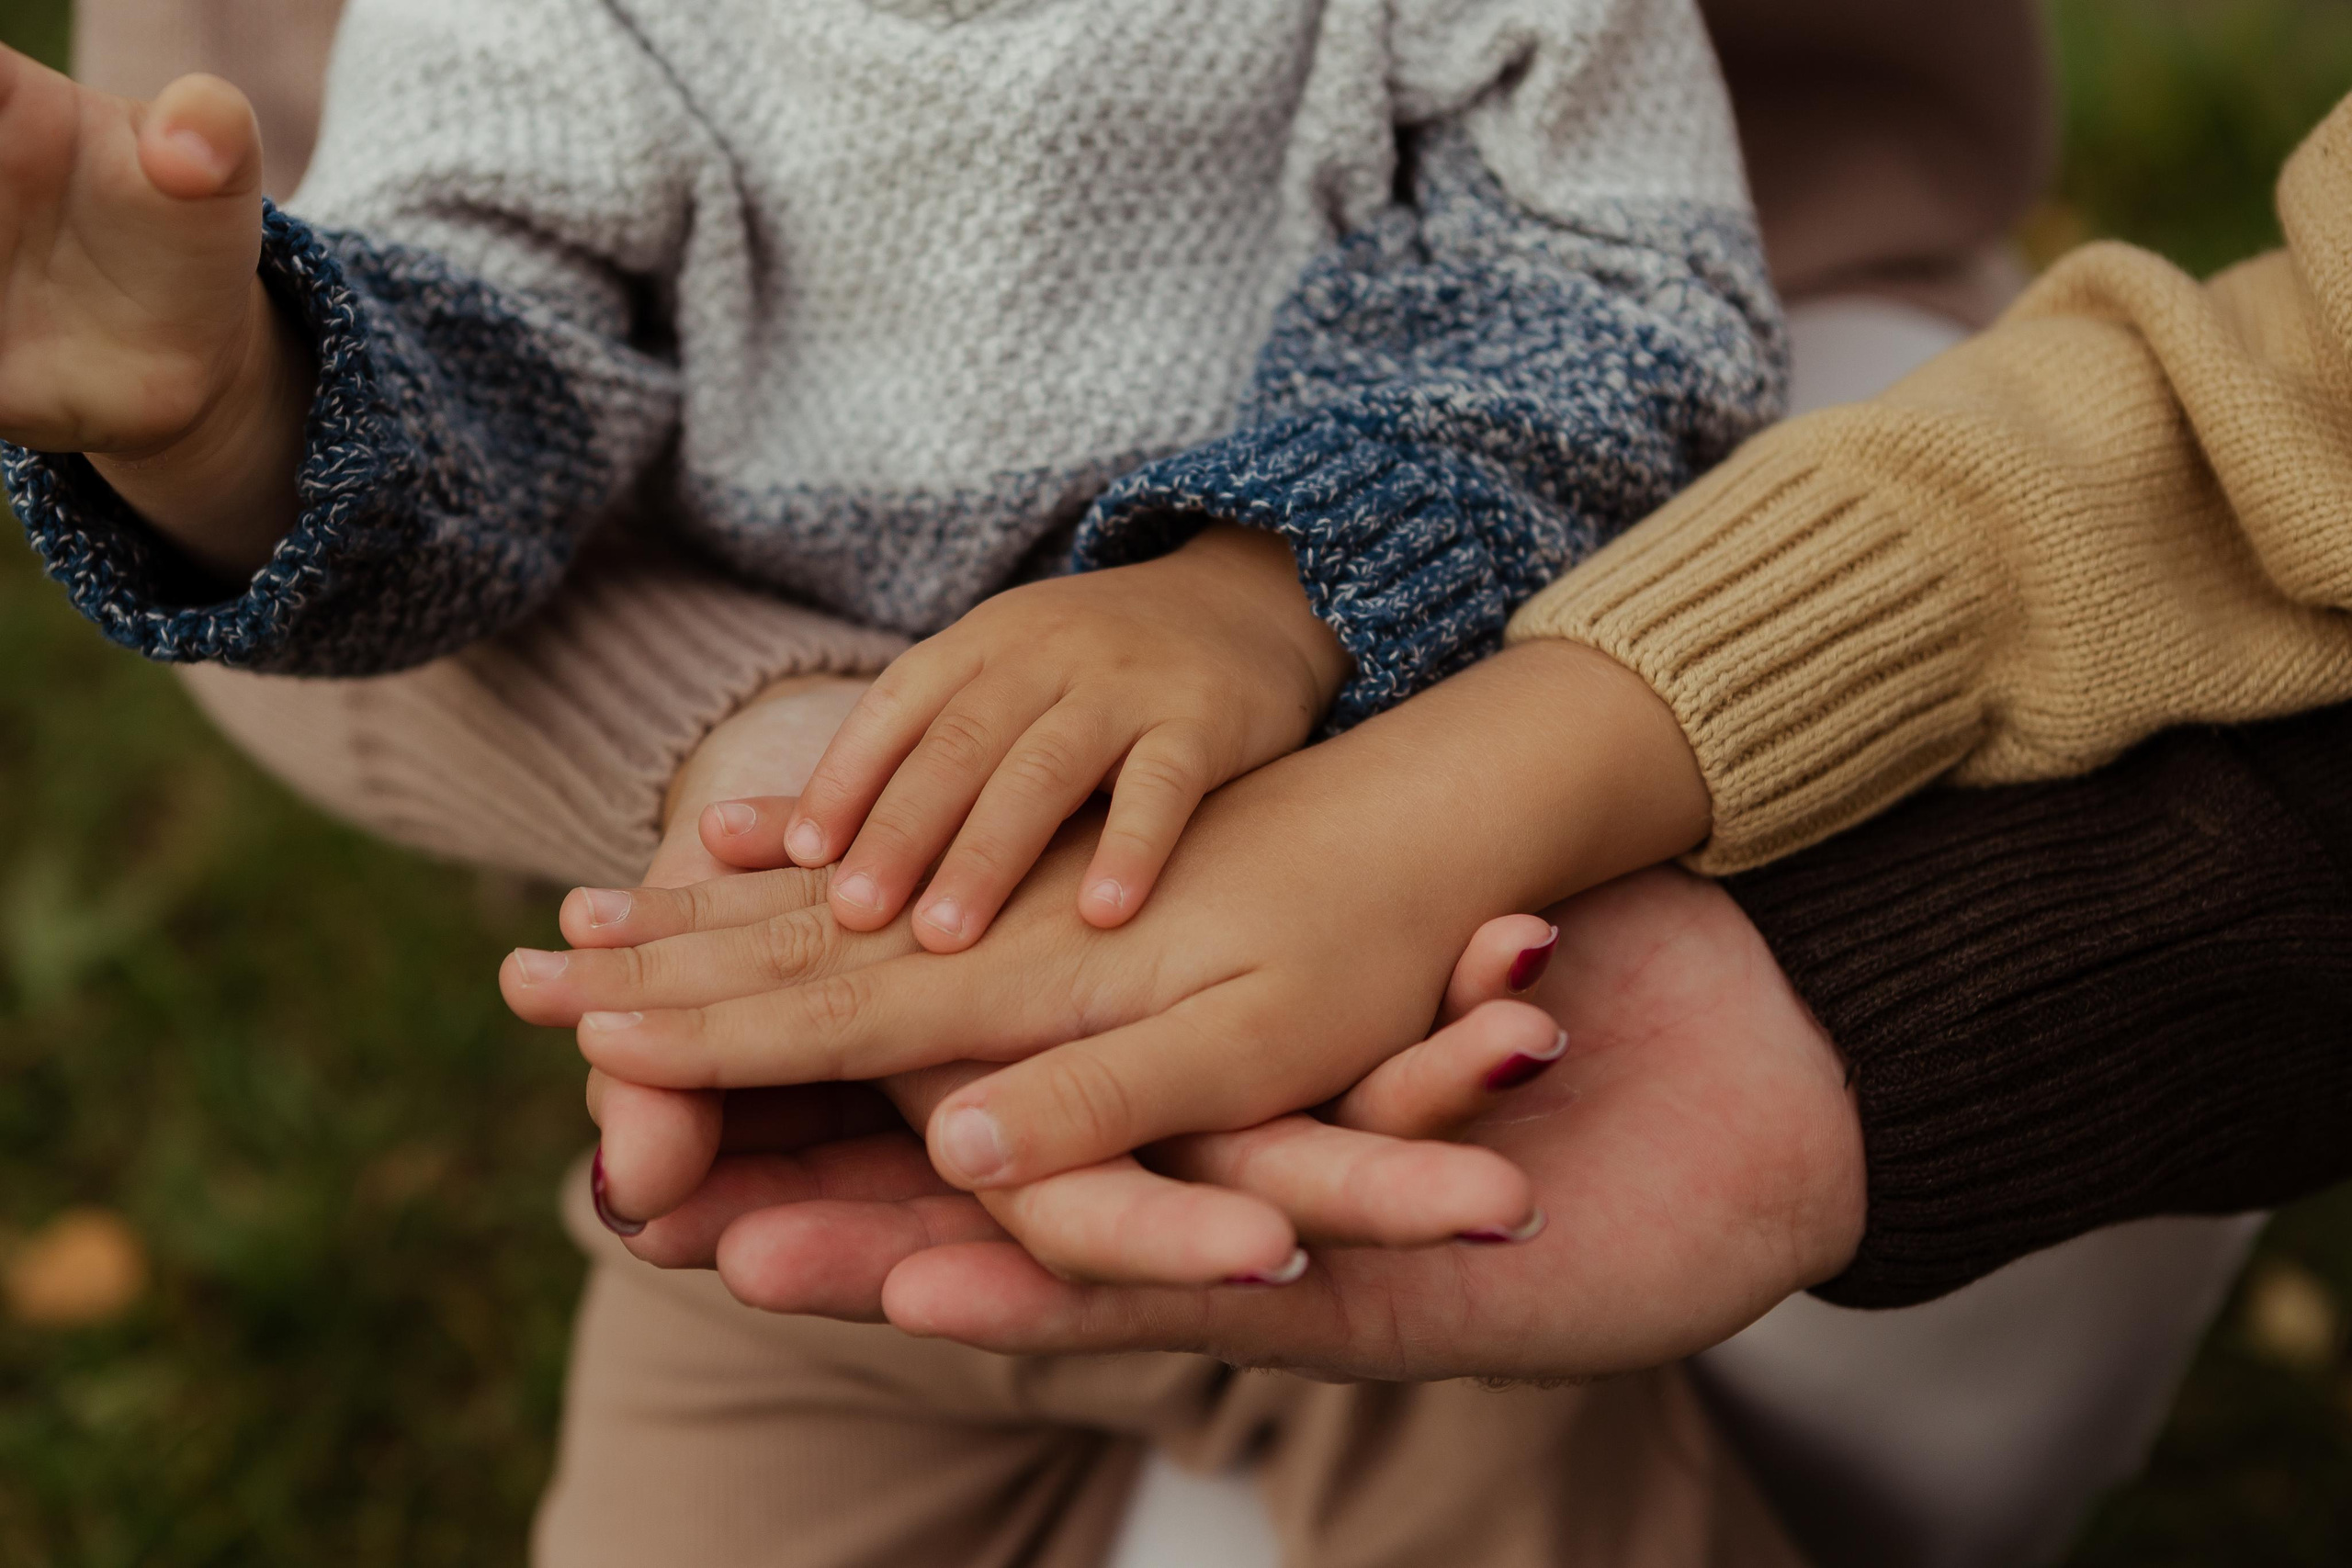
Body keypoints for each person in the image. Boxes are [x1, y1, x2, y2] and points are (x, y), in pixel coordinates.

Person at [64, 3, 2328, 1566]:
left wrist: (1264, 584)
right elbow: (491, 381)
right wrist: (238, 412)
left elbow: (1611, 285)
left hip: (1377, 1048)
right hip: (818, 1100)